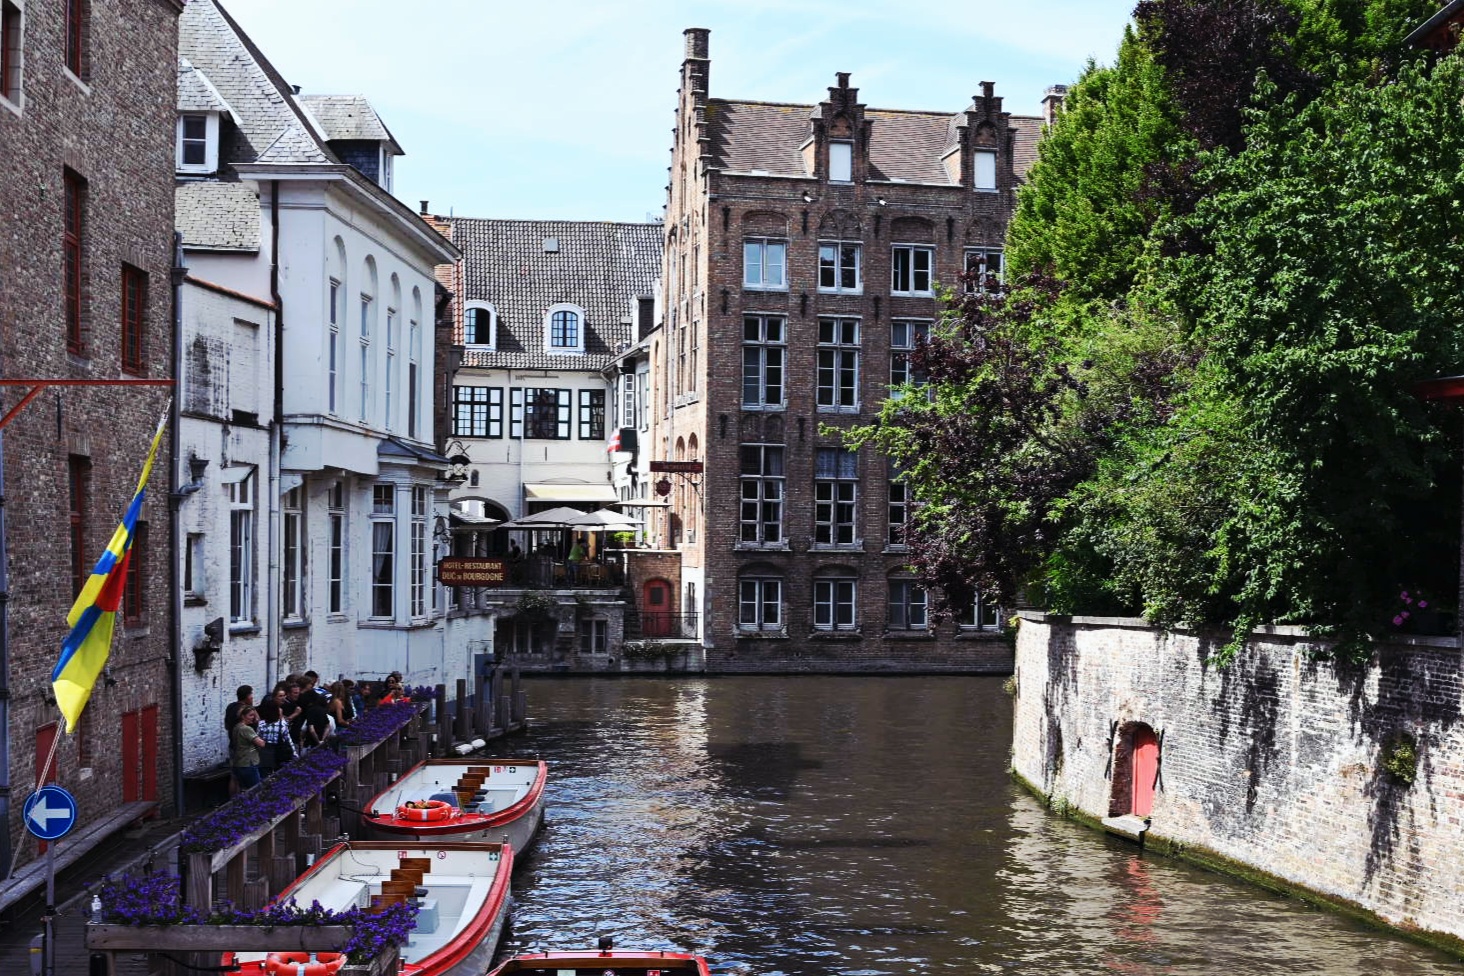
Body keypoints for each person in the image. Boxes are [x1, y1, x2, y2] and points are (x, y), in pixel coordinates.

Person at [255, 700, 296, 778]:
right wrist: (294, 754)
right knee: (279, 775)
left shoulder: (261, 724)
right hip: (279, 752)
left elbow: (258, 738)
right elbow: (288, 739)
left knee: (265, 776)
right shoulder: (282, 724)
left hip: (265, 753)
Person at [230, 707, 266, 791]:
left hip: (239, 762)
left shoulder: (236, 727)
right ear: (243, 716)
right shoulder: (246, 729)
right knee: (256, 790)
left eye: (254, 715)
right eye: (251, 715)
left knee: (244, 790)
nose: (253, 717)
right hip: (248, 763)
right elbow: (261, 744)